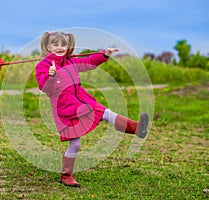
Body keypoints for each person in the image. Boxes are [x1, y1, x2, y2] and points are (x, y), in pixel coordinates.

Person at [35, 31, 149, 187]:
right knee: (75, 145)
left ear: (68, 46)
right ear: (48, 46)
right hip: (65, 111)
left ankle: (136, 128)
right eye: (55, 44)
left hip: (84, 102)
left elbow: (89, 61)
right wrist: (51, 76)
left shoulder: (71, 62)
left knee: (105, 112)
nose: (60, 47)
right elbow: (45, 88)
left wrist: (104, 54)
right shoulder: (44, 65)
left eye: (63, 44)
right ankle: (66, 175)